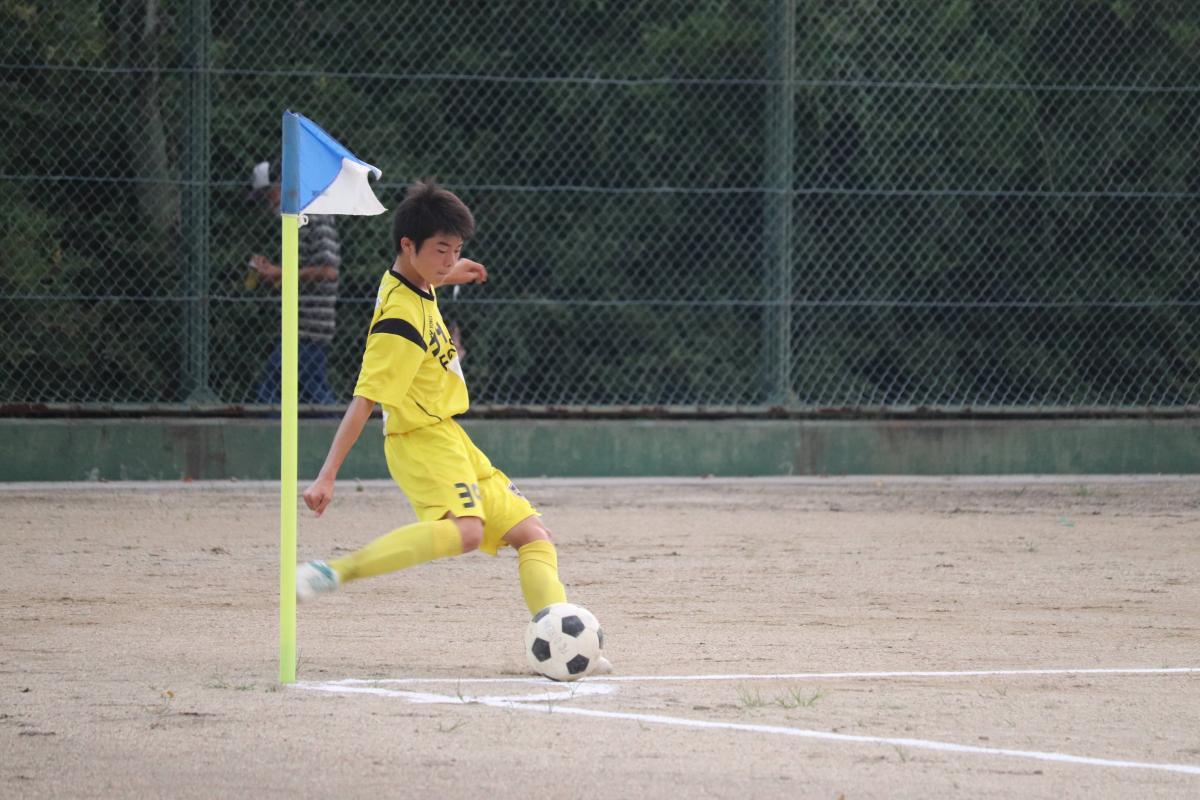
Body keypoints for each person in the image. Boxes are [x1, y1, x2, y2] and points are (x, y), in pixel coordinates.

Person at [295, 180, 610, 673]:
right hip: (419, 440)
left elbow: (418, 282)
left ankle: (559, 640)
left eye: (457, 250)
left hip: (449, 436)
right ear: (408, 245)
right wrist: (327, 475)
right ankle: (335, 571)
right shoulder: (399, 322)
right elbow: (364, 401)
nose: (449, 260)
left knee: (533, 535)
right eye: (441, 250)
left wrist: (446, 274)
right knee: (465, 532)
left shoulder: (413, 281)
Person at [248, 160, 341, 405]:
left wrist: (280, 272)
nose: (269, 204)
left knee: (273, 389)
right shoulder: (297, 221)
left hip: (309, 326)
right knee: (312, 387)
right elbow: (299, 274)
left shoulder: (313, 216)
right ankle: (339, 424)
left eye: (268, 195)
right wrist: (273, 273)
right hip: (301, 324)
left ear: (283, 185)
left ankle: (341, 423)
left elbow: (329, 271)